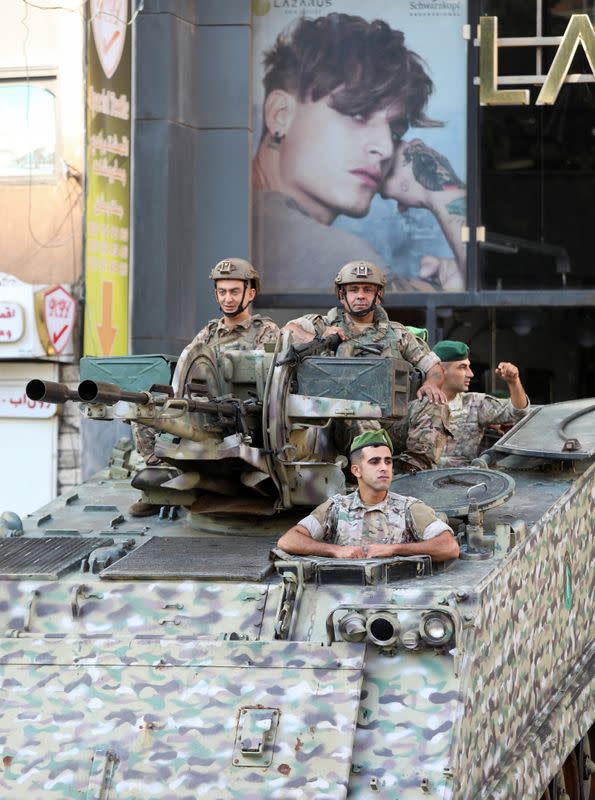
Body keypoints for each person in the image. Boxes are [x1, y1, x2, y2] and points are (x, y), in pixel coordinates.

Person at [252, 13, 466, 292]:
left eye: (395, 132)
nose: (386, 148)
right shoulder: (338, 259)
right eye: (358, 114)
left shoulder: (249, 218)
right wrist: (443, 191)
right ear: (280, 114)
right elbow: (483, 291)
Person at [129, 258, 279, 516]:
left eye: (234, 291)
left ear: (250, 293)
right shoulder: (208, 333)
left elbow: (274, 383)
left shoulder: (265, 331)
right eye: (222, 292)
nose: (228, 298)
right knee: (144, 411)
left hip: (248, 417)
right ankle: (162, 478)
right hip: (205, 411)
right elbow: (190, 368)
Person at [283, 260, 451, 471]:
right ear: (341, 294)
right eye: (353, 290)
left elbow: (434, 367)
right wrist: (317, 337)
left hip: (392, 423)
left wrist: (432, 385)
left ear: (378, 295)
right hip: (341, 425)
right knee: (359, 411)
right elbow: (288, 331)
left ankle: (414, 473)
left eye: (367, 290)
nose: (360, 295)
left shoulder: (397, 334)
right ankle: (367, 474)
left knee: (434, 402)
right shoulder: (321, 324)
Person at [276, 430, 459, 562]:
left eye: (387, 461)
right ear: (356, 470)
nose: (384, 467)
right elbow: (288, 540)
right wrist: (336, 551)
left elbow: (448, 547)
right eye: (374, 461)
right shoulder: (336, 507)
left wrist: (394, 549)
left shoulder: (409, 508)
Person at [430, 340, 530, 468]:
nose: (470, 374)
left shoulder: (475, 404)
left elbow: (518, 412)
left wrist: (514, 382)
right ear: (441, 370)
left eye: (468, 367)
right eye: (462, 367)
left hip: (463, 483)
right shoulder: (417, 404)